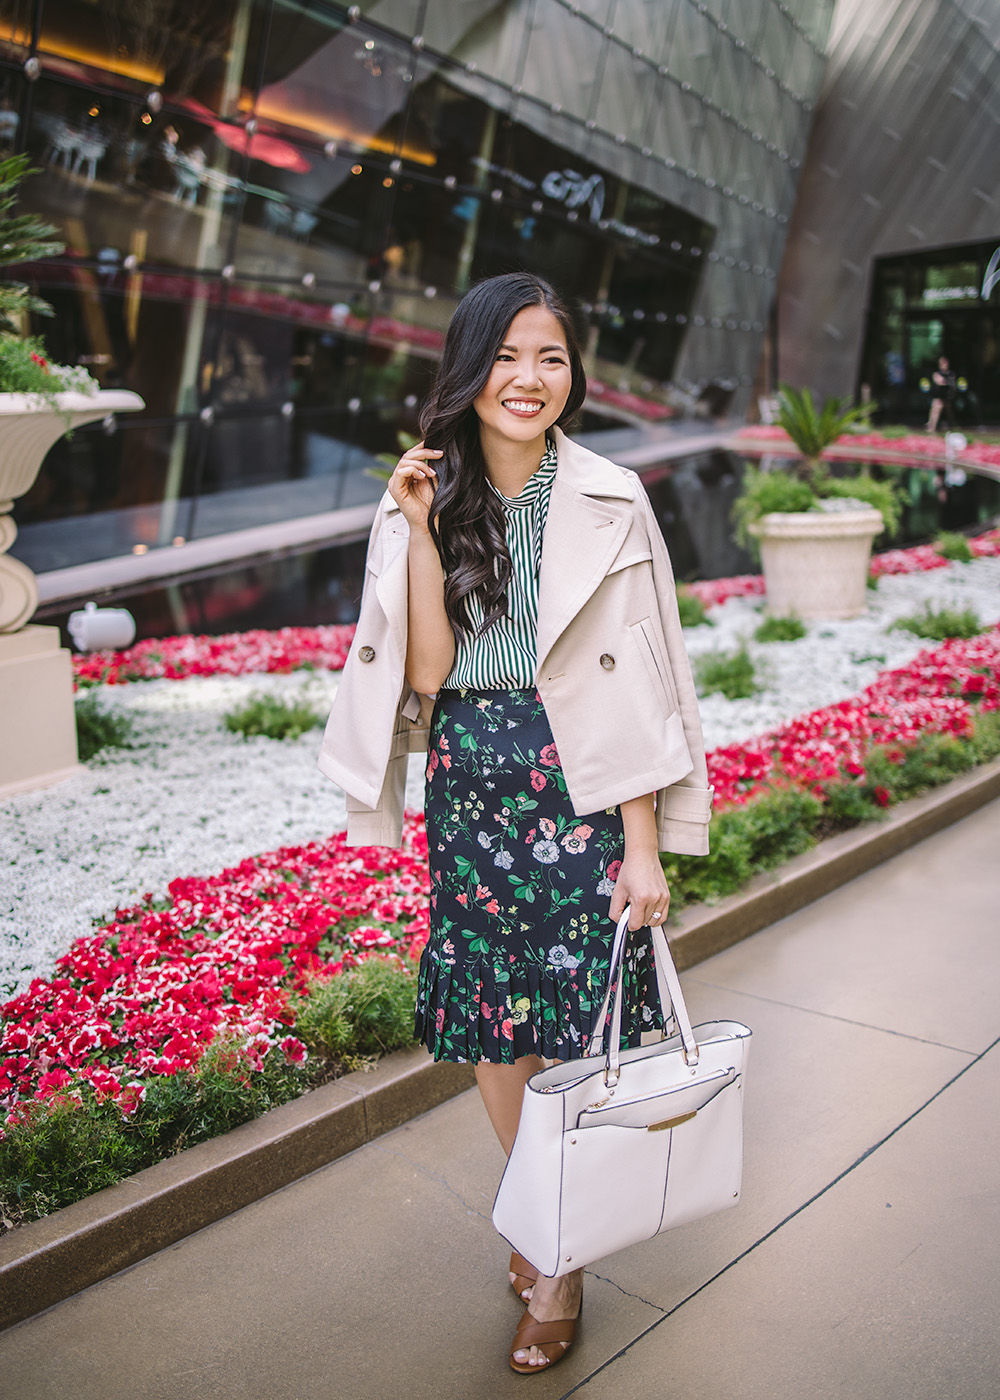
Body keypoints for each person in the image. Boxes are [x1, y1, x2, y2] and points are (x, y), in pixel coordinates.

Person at [318, 272, 712, 1375]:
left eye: (550, 357)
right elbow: (428, 672)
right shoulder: (422, 492)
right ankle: (548, 1213)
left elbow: (640, 679)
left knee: (580, 1024)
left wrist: (644, 845)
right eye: (504, 357)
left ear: (572, 372)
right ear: (469, 367)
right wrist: (417, 529)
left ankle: (556, 1252)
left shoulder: (612, 495)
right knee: (497, 1023)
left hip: (583, 783)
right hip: (472, 785)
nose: (528, 379)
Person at [926, 354, 957, 432]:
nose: (944, 365)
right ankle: (931, 428)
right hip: (938, 397)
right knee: (936, 409)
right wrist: (946, 382)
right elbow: (939, 381)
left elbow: (953, 384)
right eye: (943, 363)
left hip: (947, 397)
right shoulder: (937, 373)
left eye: (945, 363)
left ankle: (952, 427)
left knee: (949, 413)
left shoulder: (950, 374)